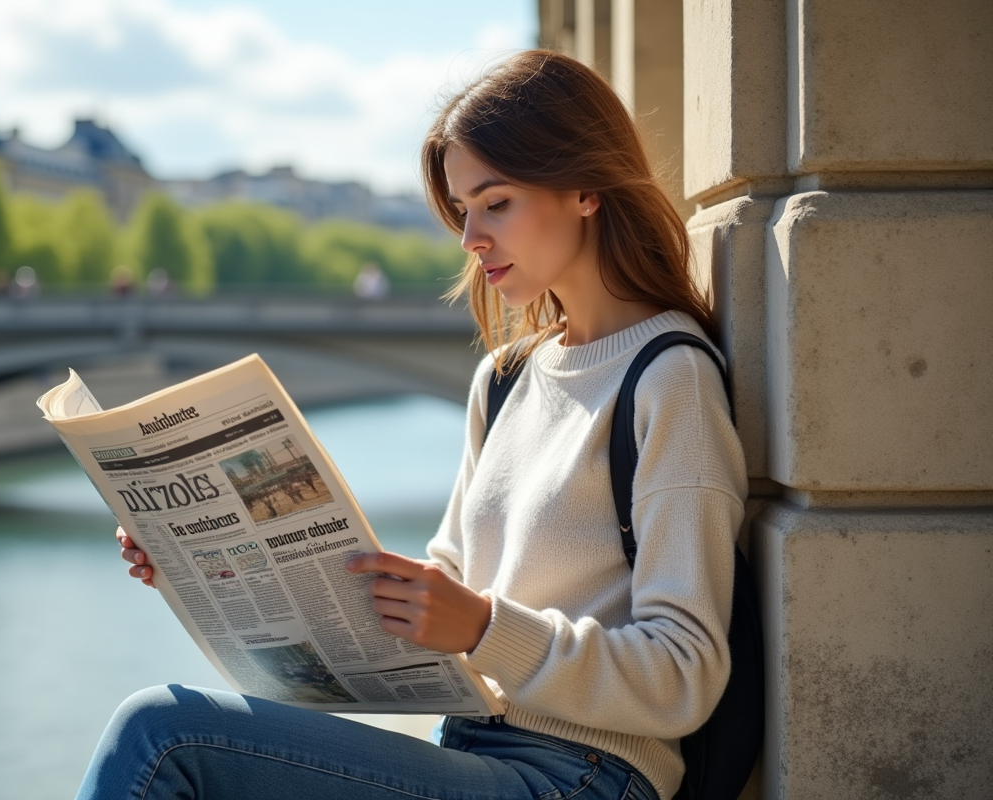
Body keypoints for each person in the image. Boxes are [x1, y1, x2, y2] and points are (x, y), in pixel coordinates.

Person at [79, 49, 746, 800]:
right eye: (464, 211)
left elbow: (685, 675)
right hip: (473, 751)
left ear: (585, 188)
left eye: (495, 203)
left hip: (584, 776)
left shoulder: (670, 377)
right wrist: (205, 565)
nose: (471, 239)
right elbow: (438, 615)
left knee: (164, 735)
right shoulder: (504, 382)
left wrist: (486, 628)